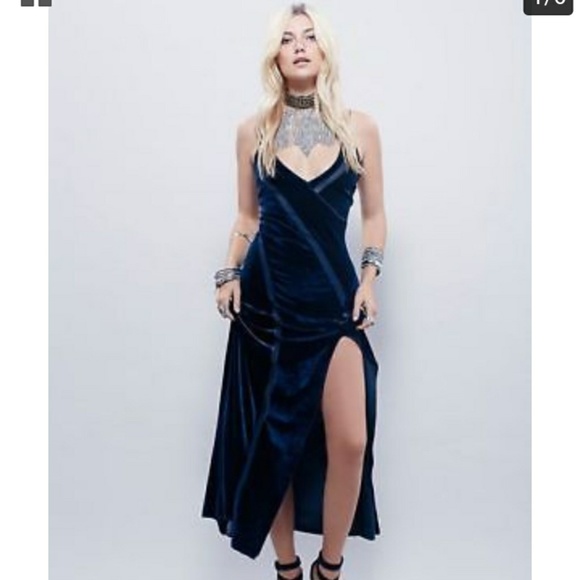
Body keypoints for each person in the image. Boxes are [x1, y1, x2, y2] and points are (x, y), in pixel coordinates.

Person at [201, 3, 387, 580]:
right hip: (267, 307)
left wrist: (369, 278)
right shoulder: (252, 131)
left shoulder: (359, 127)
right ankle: (286, 568)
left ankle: (329, 568)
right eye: (287, 38)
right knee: (272, 443)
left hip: (332, 304)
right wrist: (229, 272)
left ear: (325, 50)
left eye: (310, 36)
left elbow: (375, 217)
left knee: (350, 441)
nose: (300, 45)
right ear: (275, 56)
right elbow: (246, 217)